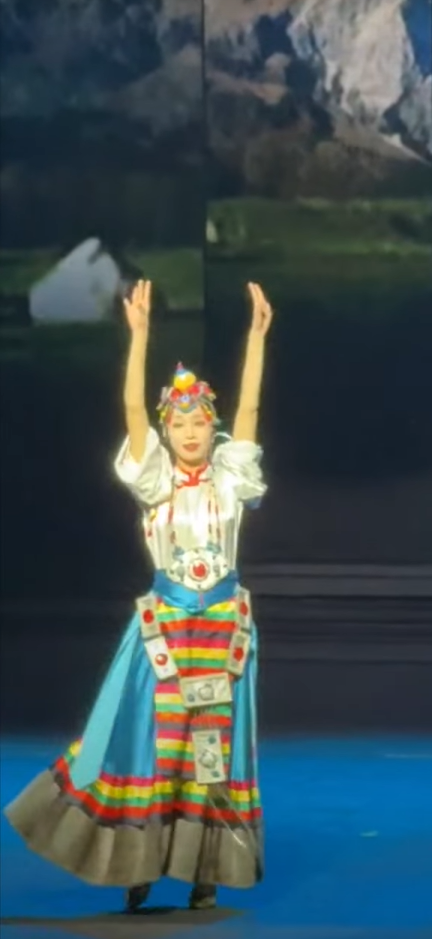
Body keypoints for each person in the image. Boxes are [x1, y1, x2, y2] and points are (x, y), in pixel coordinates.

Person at [5, 281, 274, 911]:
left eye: (199, 421)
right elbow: (132, 410)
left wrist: (257, 338)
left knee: (211, 749)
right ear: (166, 430)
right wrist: (139, 336)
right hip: (168, 628)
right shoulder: (155, 481)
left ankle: (205, 868)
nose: (190, 432)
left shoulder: (230, 479)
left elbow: (251, 410)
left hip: (220, 628)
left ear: (212, 427)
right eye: (178, 422)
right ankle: (138, 862)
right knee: (157, 743)